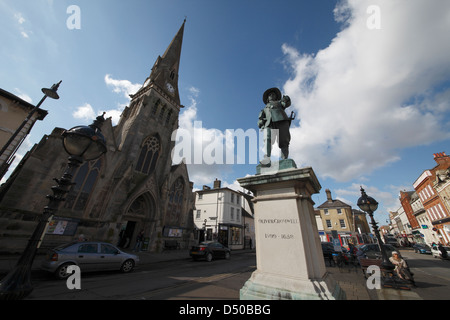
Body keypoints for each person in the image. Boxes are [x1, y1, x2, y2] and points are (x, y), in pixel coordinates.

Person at [258, 87, 294, 166]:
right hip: (269, 123)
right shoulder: (264, 109)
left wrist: (286, 99)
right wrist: (261, 123)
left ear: (276, 96)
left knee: (283, 141)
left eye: (273, 94)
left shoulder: (279, 103)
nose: (271, 95)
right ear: (267, 98)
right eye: (270, 95)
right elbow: (260, 120)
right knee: (267, 139)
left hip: (281, 120)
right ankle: (267, 159)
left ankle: (284, 159)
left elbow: (286, 103)